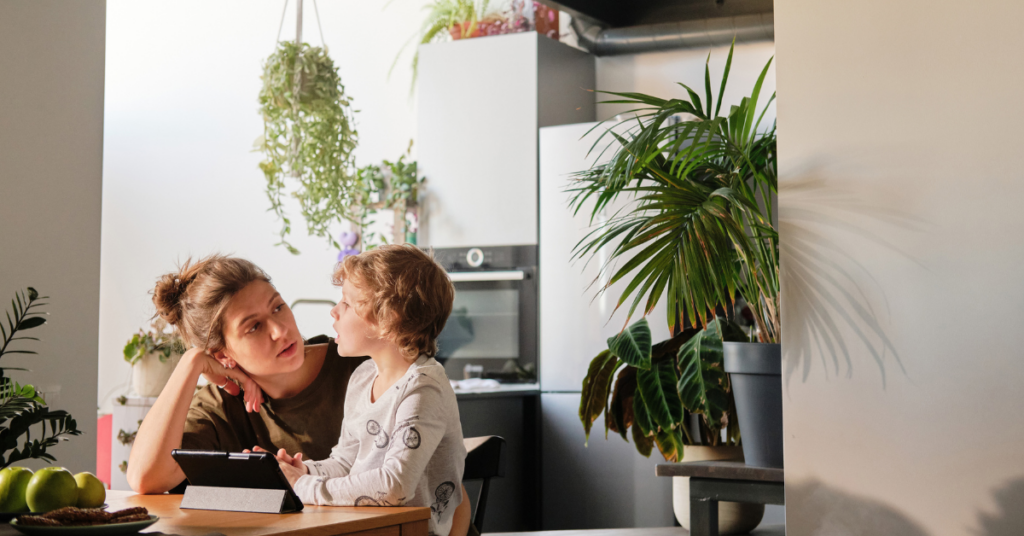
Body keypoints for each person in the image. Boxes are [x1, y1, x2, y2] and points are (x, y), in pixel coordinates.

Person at [126, 254, 470, 535]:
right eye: (254, 326)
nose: (280, 330)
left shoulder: (364, 362)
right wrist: (191, 363)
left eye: (277, 307)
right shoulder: (220, 406)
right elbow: (145, 478)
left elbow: (440, 486)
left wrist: (298, 484)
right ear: (222, 355)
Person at [265, 244, 466, 536]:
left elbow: (394, 486)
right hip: (363, 525)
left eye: (346, 303)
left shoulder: (423, 388)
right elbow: (346, 462)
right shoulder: (363, 377)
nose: (334, 311)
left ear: (389, 318)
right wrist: (301, 472)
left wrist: (302, 486)